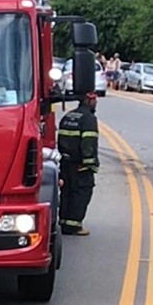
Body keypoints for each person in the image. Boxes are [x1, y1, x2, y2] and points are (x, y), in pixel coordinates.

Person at [57, 91, 99, 236]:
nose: (95, 103)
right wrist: (89, 163)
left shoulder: (68, 116)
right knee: (81, 192)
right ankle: (74, 225)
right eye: (94, 100)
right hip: (80, 164)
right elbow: (89, 142)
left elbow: (60, 140)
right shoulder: (89, 119)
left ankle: (63, 221)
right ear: (88, 100)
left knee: (67, 192)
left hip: (66, 162)